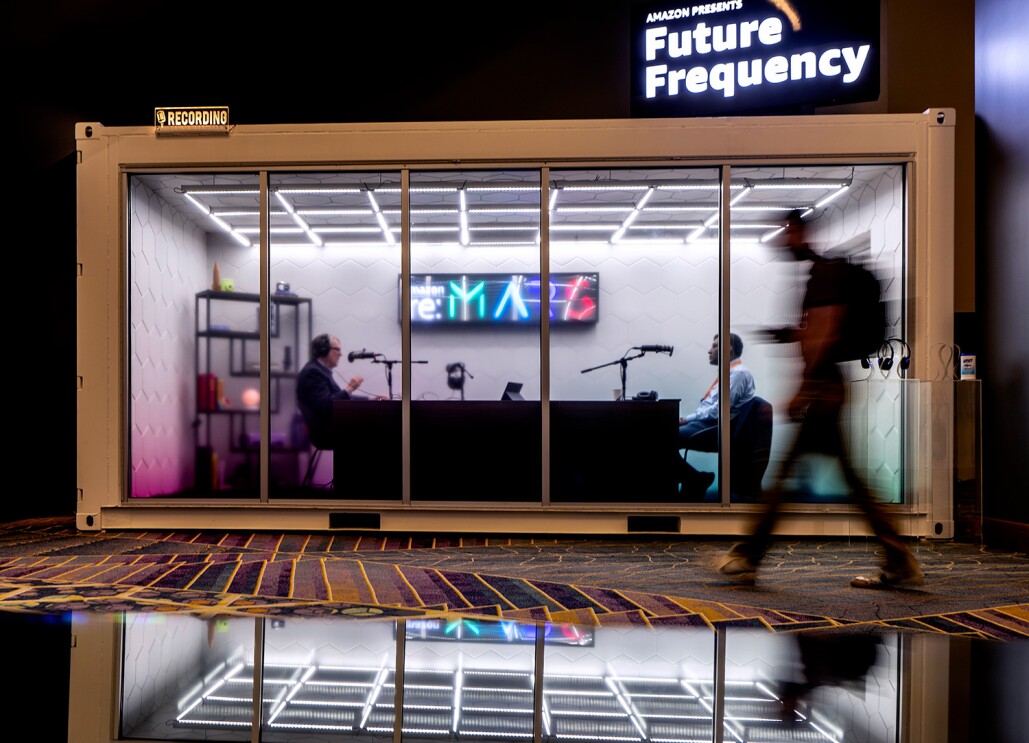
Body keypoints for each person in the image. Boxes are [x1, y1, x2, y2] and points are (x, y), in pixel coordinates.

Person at [716, 210, 923, 589]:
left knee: (786, 475)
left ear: (801, 231)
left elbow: (826, 331)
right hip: (826, 388)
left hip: (823, 390)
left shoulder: (823, 276)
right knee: (841, 479)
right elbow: (816, 328)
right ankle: (897, 558)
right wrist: (786, 335)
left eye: (786, 231)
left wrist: (804, 386)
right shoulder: (820, 275)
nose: (781, 239)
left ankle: (748, 556)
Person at [677, 332, 755, 497]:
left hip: (714, 428)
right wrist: (688, 420)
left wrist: (688, 419)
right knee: (660, 438)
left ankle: (695, 480)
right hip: (707, 424)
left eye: (714, 346)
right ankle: (695, 479)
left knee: (662, 440)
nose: (709, 351)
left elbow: (719, 411)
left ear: (729, 349)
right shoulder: (729, 372)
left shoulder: (738, 373)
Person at [296, 334, 364, 448]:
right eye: (337, 350)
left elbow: (339, 399)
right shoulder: (313, 372)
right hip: (325, 433)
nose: (341, 354)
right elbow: (325, 405)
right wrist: (349, 388)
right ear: (324, 350)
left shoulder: (319, 370)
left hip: (330, 428)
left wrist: (371, 400)